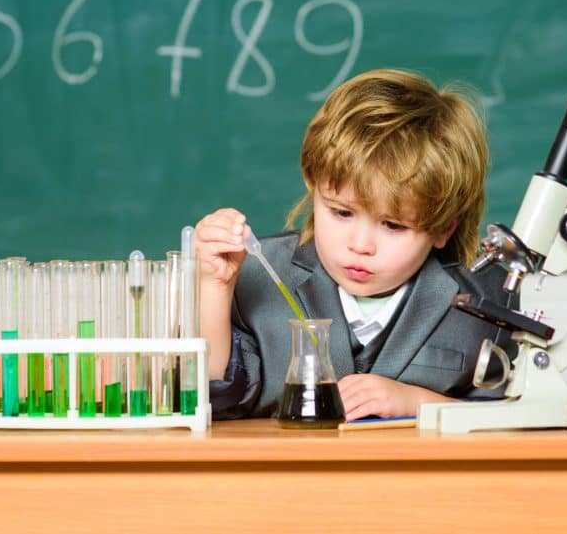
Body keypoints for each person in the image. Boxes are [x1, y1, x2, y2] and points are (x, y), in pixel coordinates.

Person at [195, 68, 516, 421]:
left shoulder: (489, 300)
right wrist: (214, 287)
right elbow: (214, 399)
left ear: (443, 228)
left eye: (393, 225)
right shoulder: (256, 273)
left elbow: (522, 420)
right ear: (314, 188)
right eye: (342, 213)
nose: (361, 245)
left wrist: (417, 403)